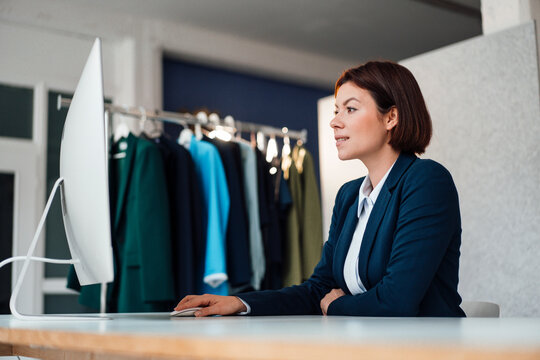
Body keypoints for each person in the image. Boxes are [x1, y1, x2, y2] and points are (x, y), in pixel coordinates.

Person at [174, 61, 465, 317]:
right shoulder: (350, 196)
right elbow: (319, 290)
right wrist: (240, 302)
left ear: (391, 117)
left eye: (350, 109)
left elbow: (397, 300)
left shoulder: (426, 181)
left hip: (426, 347)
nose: (334, 121)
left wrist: (336, 306)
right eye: (337, 110)